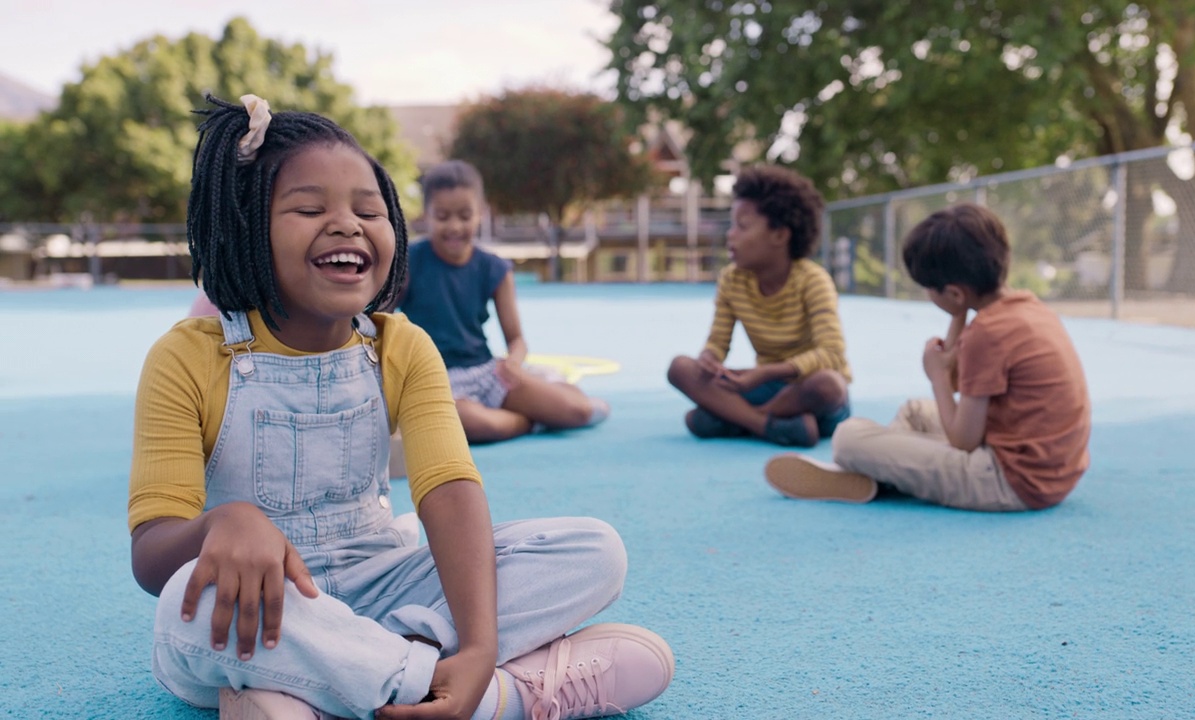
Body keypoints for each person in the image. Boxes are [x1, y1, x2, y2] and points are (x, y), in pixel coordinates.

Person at [127, 94, 673, 720]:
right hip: (268, 607)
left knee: (595, 551)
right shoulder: (185, 358)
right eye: (309, 208)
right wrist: (221, 526)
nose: (348, 224)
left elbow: (448, 490)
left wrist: (479, 642)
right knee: (181, 612)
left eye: (370, 209)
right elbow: (151, 555)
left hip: (386, 583)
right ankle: (501, 697)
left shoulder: (402, 346)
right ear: (247, 225)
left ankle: (317, 691)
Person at [764, 203, 1091, 511]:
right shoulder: (1024, 307)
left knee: (848, 438)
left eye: (929, 289)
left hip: (1009, 482)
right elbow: (959, 380)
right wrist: (958, 321)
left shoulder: (988, 333)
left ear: (954, 293)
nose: (927, 295)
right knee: (915, 411)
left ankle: (873, 472)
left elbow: (963, 439)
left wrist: (936, 376)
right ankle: (885, 470)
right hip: (1053, 471)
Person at [396, 160, 609, 444]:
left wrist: (514, 363)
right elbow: (380, 322)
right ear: (427, 216)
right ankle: (529, 421)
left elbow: (517, 339)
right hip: (437, 379)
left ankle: (547, 389)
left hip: (486, 371)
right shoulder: (408, 264)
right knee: (466, 423)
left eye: (464, 215)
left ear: (481, 214)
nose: (455, 226)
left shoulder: (494, 268)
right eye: (443, 216)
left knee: (579, 412)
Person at [667, 164, 852, 448]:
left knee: (829, 385)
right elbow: (718, 341)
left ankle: (741, 419)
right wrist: (709, 358)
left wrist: (766, 372)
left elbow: (832, 354)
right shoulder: (732, 279)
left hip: (806, 391)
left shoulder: (813, 280)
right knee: (680, 368)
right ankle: (770, 426)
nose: (731, 234)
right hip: (762, 386)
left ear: (779, 235)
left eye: (742, 226)